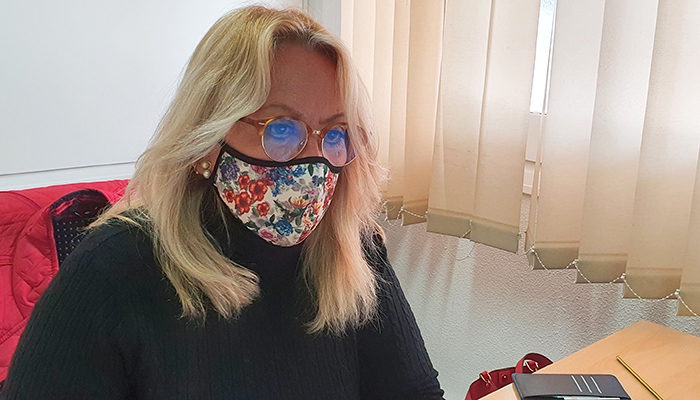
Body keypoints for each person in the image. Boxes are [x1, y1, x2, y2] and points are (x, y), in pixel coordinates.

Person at [3, 6, 444, 399]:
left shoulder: (353, 250)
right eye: (281, 129)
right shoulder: (113, 267)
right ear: (206, 140)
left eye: (335, 133)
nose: (314, 161)